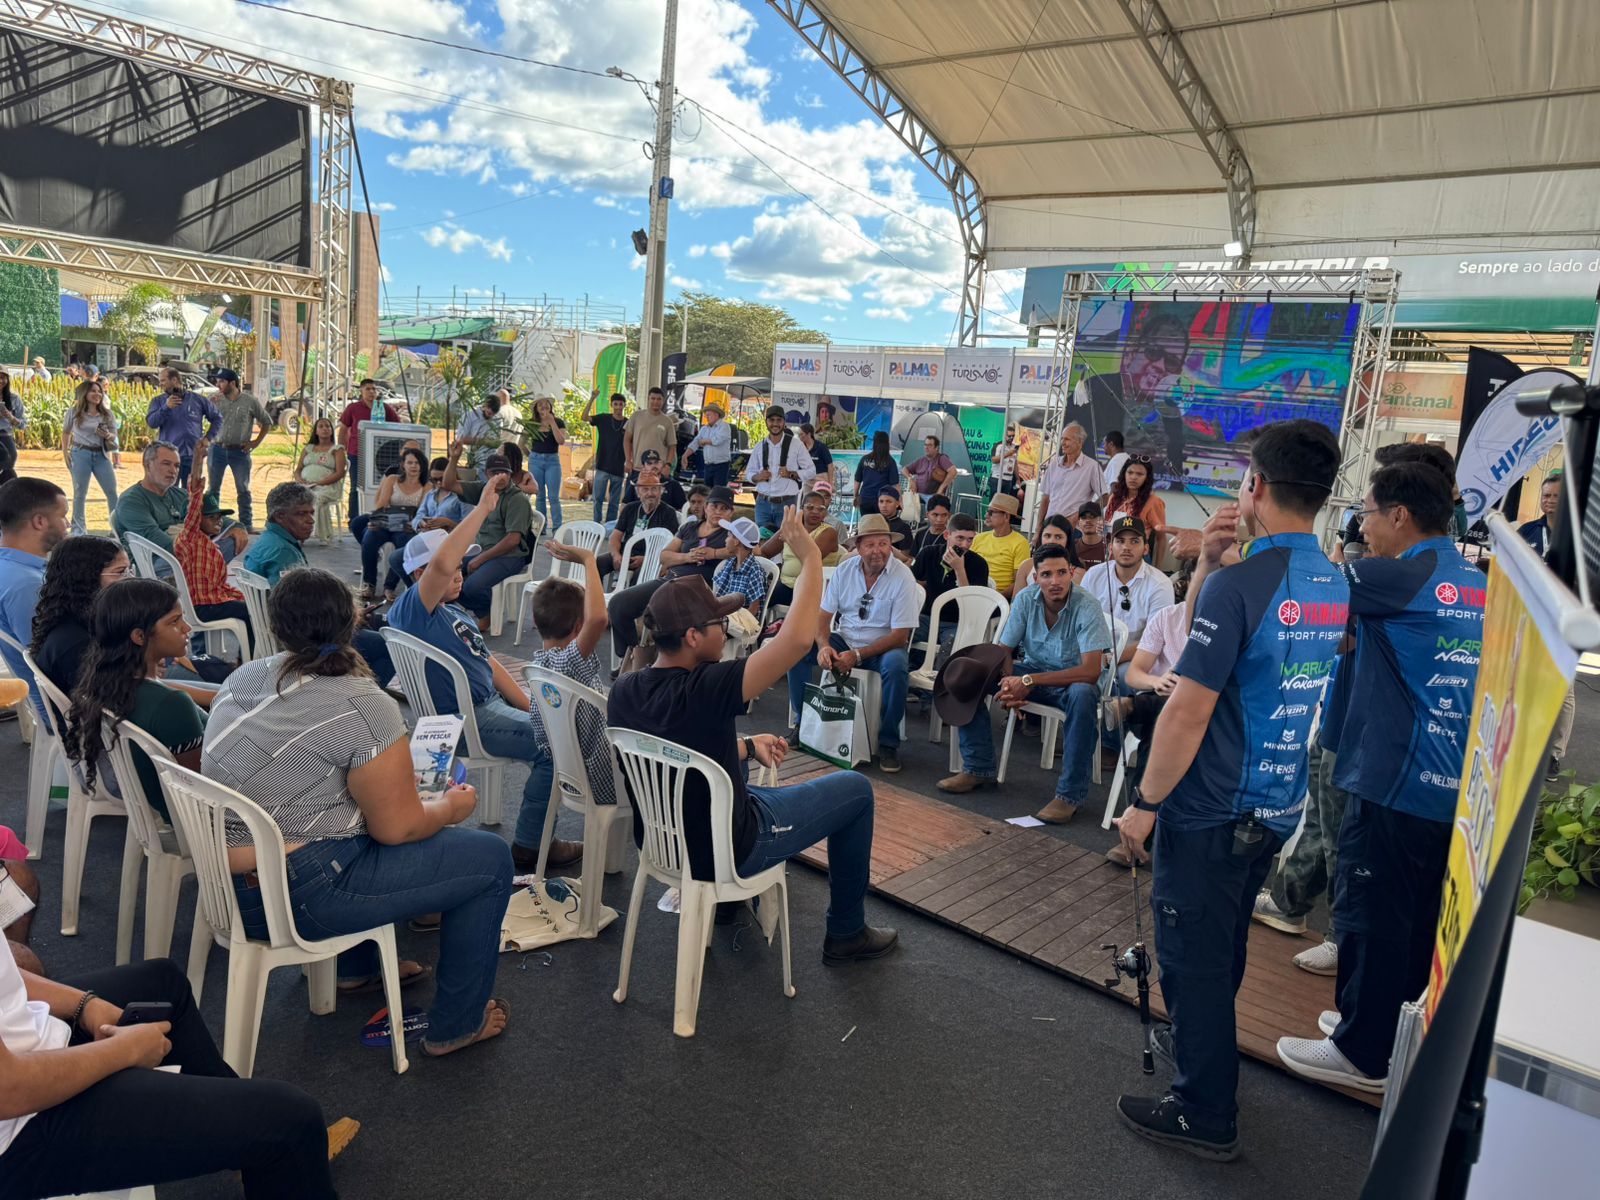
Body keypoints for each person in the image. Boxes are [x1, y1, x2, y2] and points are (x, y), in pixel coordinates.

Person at [1112, 418, 1348, 1161]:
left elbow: (1187, 707)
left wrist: (1144, 804)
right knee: (1220, 946)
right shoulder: (1329, 578)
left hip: (1211, 808)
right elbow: (1231, 660)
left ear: (1256, 485)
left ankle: (1203, 1108)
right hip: (1274, 805)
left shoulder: (1250, 581)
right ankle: (1201, 1052)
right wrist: (1211, 564)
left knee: (1193, 957)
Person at [203, 566, 513, 1057]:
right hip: (296, 897)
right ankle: (457, 1025)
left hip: (228, 888)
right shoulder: (363, 703)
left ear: (276, 625)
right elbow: (399, 829)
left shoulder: (246, 676)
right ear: (352, 623)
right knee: (490, 859)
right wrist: (451, 808)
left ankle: (354, 969)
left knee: (347, 824)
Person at [608, 508, 898, 964]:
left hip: (663, 843)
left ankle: (726, 908)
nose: (724, 626)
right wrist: (811, 556)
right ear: (690, 637)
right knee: (857, 791)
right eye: (716, 622)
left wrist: (744, 746)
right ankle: (846, 931)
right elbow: (799, 640)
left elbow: (676, 750)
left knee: (738, 772)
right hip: (728, 845)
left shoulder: (623, 689)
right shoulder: (708, 686)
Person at [1276, 460, 1484, 1094]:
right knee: (1417, 919)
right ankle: (1387, 1032)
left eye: (1367, 512)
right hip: (1449, 781)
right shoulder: (1472, 578)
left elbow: (1304, 587)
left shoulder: (1393, 575)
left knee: (1371, 913)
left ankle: (1360, 1052)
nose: (1362, 524)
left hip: (1393, 774)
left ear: (1399, 516)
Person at [0, 938, 341, 1197]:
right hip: (19, 1127)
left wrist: (85, 1005)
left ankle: (245, 1146)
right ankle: (267, 1144)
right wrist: (124, 1050)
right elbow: (9, 1089)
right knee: (289, 1120)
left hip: (27, 1055)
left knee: (163, 983)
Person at [388, 488, 584, 874]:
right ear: (418, 574)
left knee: (554, 725)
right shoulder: (413, 610)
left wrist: (533, 708)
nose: (458, 573)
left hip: (483, 707)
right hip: (462, 720)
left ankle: (534, 836)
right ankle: (531, 845)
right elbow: (441, 566)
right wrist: (482, 509)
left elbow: (489, 662)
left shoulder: (449, 610)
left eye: (463, 566)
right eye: (450, 568)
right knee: (554, 744)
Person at [938, 543, 1110, 823]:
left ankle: (1069, 796)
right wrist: (1010, 683)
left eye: (1061, 573)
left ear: (1072, 573)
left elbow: (1090, 671)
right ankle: (978, 767)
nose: (1055, 581)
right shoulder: (1026, 599)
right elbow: (1004, 649)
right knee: (969, 673)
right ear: (1036, 577)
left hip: (1072, 681)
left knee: (1084, 695)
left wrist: (1028, 680)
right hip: (1031, 671)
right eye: (1046, 575)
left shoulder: (1087, 605)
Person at [62, 579, 209, 818]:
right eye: (174, 621)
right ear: (140, 636)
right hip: (195, 820)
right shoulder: (172, 705)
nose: (187, 628)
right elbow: (201, 788)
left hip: (148, 801)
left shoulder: (105, 682)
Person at [784, 513, 917, 773]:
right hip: (843, 639)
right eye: (870, 544)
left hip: (883, 646)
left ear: (891, 545)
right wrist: (823, 645)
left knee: (898, 666)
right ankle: (803, 724)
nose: (877, 551)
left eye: (883, 544)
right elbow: (822, 618)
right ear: (858, 547)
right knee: (796, 648)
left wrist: (856, 655)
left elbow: (901, 636)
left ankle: (889, 742)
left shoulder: (903, 577)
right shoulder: (846, 570)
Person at [244, 482, 395, 686]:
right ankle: (359, 696)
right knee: (389, 646)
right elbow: (301, 613)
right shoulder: (283, 553)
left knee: (378, 623)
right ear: (279, 516)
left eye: (311, 513)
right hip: (303, 641)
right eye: (301, 514)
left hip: (283, 631)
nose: (310, 520)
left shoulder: (268, 541)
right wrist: (348, 621)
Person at [522, 540, 613, 862]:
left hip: (566, 769)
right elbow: (599, 620)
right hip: (602, 776)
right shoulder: (568, 664)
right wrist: (589, 560)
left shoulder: (537, 667)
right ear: (578, 627)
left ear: (535, 623)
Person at [608, 486, 736, 670]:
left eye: (724, 508)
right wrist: (687, 557)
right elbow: (664, 556)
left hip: (698, 590)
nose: (718, 512)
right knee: (618, 604)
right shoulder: (690, 528)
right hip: (670, 580)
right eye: (714, 506)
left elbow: (751, 550)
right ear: (706, 507)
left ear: (731, 513)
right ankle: (633, 656)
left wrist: (714, 553)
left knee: (665, 618)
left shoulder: (731, 534)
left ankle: (656, 664)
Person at [1103, 598, 1190, 867]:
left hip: (1200, 714)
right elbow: (1135, 674)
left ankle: (1132, 707)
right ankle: (1141, 832)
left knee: (1164, 721)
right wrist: (1157, 680)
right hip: (1163, 702)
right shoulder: (1169, 616)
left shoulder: (1231, 622)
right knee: (1163, 720)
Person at [439, 447, 535, 625]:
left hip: (509, 555)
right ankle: (464, 610)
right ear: (486, 474)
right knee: (442, 571)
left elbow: (512, 540)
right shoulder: (484, 489)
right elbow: (449, 484)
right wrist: (453, 459)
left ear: (510, 473)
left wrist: (480, 559)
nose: (500, 477)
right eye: (495, 473)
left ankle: (484, 613)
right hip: (482, 549)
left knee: (471, 586)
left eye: (504, 472)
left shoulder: (517, 499)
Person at [0, 478, 69, 719]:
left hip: (52, 696)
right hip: (63, 708)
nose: (68, 524)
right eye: (63, 516)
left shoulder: (10, 566)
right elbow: (56, 661)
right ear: (40, 521)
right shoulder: (27, 585)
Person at [113, 442, 248, 563]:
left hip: (186, 553)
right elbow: (157, 540)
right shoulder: (131, 501)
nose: (173, 470)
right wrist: (202, 549)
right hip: (154, 562)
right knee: (214, 551)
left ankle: (204, 578)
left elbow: (210, 516)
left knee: (233, 540)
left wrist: (237, 526)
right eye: (166, 464)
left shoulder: (179, 494)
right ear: (147, 465)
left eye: (177, 466)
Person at [1081, 516, 1175, 688]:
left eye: (1134, 541)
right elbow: (1079, 623)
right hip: (1091, 654)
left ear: (1146, 548)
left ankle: (1120, 713)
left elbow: (1155, 640)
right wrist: (1093, 658)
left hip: (1134, 658)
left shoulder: (1160, 585)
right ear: (1110, 547)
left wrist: (1109, 659)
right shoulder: (1093, 575)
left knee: (1124, 678)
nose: (1126, 547)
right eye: (1120, 541)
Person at [30, 536, 129, 697]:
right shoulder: (77, 643)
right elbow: (115, 698)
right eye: (120, 572)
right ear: (86, 578)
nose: (130, 579)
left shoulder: (75, 618)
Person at [174, 464, 254, 654]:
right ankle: (247, 662)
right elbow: (192, 513)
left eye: (219, 517)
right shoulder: (190, 539)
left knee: (249, 607)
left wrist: (240, 596)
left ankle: (212, 658)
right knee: (249, 614)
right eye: (211, 517)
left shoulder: (210, 545)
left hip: (210, 603)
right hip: (202, 606)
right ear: (197, 519)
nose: (218, 521)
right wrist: (196, 486)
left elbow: (219, 586)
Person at [205, 368, 272, 532]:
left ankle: (246, 524)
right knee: (213, 489)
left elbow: (266, 421)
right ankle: (212, 524)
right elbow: (200, 414)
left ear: (232, 383)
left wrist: (255, 442)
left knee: (243, 489)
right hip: (217, 449)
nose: (217, 384)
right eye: (217, 381)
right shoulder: (215, 399)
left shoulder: (249, 401)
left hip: (240, 451)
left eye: (221, 381)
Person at [359, 446, 428, 600]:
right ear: (403, 464)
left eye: (417, 463)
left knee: (405, 546)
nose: (414, 466)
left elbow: (421, 511)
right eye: (410, 462)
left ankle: (389, 586)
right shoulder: (392, 479)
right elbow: (381, 505)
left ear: (422, 465)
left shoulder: (426, 486)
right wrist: (378, 520)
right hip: (386, 523)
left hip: (407, 527)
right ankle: (369, 583)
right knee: (369, 538)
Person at [757, 488, 840, 610]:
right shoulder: (790, 528)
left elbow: (809, 558)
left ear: (825, 512)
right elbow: (764, 552)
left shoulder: (829, 532)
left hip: (814, 588)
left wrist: (790, 539)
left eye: (821, 509)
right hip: (786, 585)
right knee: (754, 597)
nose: (815, 512)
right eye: (810, 507)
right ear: (801, 509)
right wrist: (765, 577)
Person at [596, 469, 680, 581]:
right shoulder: (630, 509)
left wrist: (646, 559)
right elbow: (615, 536)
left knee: (640, 575)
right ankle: (597, 597)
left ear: (660, 491)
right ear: (638, 492)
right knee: (596, 564)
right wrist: (616, 555)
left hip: (652, 559)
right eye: (645, 489)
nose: (650, 493)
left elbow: (672, 547)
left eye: (654, 489)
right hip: (625, 555)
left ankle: (627, 598)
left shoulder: (668, 513)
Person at [912, 512, 988, 634]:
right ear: (947, 535)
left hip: (957, 622)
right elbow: (914, 584)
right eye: (960, 538)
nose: (965, 545)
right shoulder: (929, 553)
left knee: (953, 647)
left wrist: (959, 570)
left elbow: (972, 606)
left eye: (970, 539)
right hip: (926, 618)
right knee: (902, 632)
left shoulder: (979, 563)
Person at [60, 378, 119, 535]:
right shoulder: (74, 412)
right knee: (80, 492)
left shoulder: (107, 414)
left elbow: (114, 437)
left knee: (111, 491)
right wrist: (65, 452)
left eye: (99, 391)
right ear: (84, 393)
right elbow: (66, 432)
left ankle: (116, 527)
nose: (97, 394)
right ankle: (78, 529)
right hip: (80, 454)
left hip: (101, 455)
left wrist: (107, 435)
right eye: (93, 391)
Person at [144, 366, 220, 487]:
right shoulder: (158, 401)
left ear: (174, 380)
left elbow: (217, 418)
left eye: (163, 381)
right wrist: (166, 407)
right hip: (168, 458)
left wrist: (208, 438)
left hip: (193, 457)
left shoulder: (197, 400)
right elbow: (152, 423)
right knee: (168, 492)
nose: (160, 384)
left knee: (190, 493)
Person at [745, 404, 816, 531]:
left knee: (785, 541)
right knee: (761, 541)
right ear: (766, 422)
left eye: (779, 420)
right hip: (763, 503)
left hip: (786, 503)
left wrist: (791, 474)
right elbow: (749, 473)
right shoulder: (759, 446)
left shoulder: (796, 444)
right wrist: (757, 477)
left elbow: (811, 471)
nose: (775, 424)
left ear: (784, 423)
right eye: (771, 420)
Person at [337, 379, 401, 519]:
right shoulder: (353, 408)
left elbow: (398, 426)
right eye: (368, 389)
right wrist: (341, 449)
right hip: (357, 453)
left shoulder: (384, 408)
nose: (371, 392)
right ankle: (354, 518)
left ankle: (377, 516)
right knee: (356, 487)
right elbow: (343, 429)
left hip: (380, 454)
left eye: (374, 389)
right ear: (361, 391)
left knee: (380, 486)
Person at [1035, 423, 1102, 538]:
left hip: (1072, 530)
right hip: (1049, 527)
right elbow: (1045, 498)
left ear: (1079, 442)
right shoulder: (1054, 464)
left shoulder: (1092, 466)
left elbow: (1105, 497)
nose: (1063, 443)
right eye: (1062, 439)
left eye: (1067, 439)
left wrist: (1079, 516)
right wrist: (1038, 530)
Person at [295, 417, 348, 544]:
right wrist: (301, 481)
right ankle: (295, 533)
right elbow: (298, 470)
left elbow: (340, 473)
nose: (325, 429)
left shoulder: (337, 449)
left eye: (328, 426)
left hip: (328, 487)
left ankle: (316, 533)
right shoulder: (308, 448)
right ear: (316, 431)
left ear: (331, 431)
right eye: (321, 426)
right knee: (289, 499)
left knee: (315, 498)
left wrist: (319, 483)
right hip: (305, 486)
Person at [970, 492, 1032, 599]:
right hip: (973, 591)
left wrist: (997, 599)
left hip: (1000, 598)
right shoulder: (979, 538)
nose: (986, 515)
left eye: (991, 512)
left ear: (1006, 516)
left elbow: (1019, 581)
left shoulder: (1020, 543)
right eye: (987, 511)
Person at [584, 391, 630, 522]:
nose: (618, 407)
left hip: (619, 468)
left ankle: (609, 527)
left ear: (624, 405)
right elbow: (584, 417)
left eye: (621, 404)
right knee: (597, 499)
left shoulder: (628, 423)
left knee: (614, 503)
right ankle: (596, 525)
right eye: (615, 404)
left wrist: (629, 461)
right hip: (602, 466)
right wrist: (592, 397)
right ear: (611, 405)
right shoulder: (603, 418)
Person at [525, 395, 568, 533]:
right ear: (536, 409)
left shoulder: (559, 422)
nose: (544, 406)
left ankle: (557, 528)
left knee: (554, 496)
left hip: (552, 461)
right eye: (540, 405)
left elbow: (561, 441)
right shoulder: (531, 423)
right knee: (540, 495)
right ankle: (542, 527)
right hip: (536, 460)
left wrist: (552, 422)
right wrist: (532, 456)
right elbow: (521, 443)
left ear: (551, 406)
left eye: (546, 404)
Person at [622, 387, 677, 495]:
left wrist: (668, 466)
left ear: (663, 401)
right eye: (653, 398)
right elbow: (627, 440)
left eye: (658, 399)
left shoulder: (667, 421)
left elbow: (672, 446)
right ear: (648, 399)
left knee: (656, 501)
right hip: (638, 468)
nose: (655, 402)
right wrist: (628, 460)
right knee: (630, 502)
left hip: (658, 471)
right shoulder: (636, 416)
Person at [1104, 455, 1168, 547]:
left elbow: (1161, 538)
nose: (1133, 477)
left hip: (1138, 555)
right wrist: (1100, 528)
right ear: (1124, 474)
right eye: (1130, 472)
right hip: (1111, 552)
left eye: (1139, 474)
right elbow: (1107, 529)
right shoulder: (1114, 497)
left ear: (1147, 478)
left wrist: (1157, 562)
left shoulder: (1154, 501)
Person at [711, 517, 769, 614]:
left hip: (740, 623)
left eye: (728, 536)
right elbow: (717, 594)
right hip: (724, 614)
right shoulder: (729, 563)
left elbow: (754, 609)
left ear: (736, 541)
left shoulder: (754, 570)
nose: (725, 540)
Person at [682, 403, 733, 489]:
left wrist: (703, 441)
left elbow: (717, 440)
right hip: (708, 466)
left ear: (716, 414)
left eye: (709, 415)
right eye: (706, 415)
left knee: (717, 493)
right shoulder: (704, 429)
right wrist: (685, 455)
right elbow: (695, 442)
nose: (707, 417)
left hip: (721, 465)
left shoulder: (724, 426)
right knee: (707, 492)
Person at [853, 430, 899, 518]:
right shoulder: (890, 461)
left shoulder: (865, 459)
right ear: (887, 444)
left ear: (874, 443)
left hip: (865, 498)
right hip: (883, 501)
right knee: (881, 526)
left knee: (867, 525)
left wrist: (856, 496)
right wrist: (899, 500)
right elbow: (895, 484)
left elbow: (857, 480)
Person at [456, 391, 504, 474]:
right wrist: (483, 441)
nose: (490, 416)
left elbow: (497, 439)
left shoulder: (497, 419)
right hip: (476, 459)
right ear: (485, 406)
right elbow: (460, 439)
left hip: (492, 461)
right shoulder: (470, 416)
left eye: (493, 415)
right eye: (489, 413)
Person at [1517, 475, 1562, 558]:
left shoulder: (1576, 533)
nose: (1551, 500)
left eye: (1556, 496)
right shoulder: (1525, 530)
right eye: (1546, 495)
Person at [874, 487, 915, 562]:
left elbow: (906, 558)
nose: (884, 505)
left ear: (897, 503)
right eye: (881, 501)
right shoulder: (871, 523)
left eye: (889, 501)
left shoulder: (903, 528)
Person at [0, 369, 26, 486]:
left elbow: (23, 425)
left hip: (5, 436)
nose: (1, 381)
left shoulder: (14, 398)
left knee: (9, 459)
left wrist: (11, 418)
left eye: (3, 377)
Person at [908, 493, 952, 559]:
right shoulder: (920, 533)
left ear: (949, 516)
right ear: (927, 515)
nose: (939, 520)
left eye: (944, 515)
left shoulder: (950, 538)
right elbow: (912, 559)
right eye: (935, 515)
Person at [1068, 502, 1109, 571]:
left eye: (1092, 517)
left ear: (1101, 520)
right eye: (1083, 517)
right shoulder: (1071, 547)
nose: (1088, 521)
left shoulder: (1110, 546)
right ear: (1078, 522)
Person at [991, 426, 1020, 499]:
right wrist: (1008, 454)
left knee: (1003, 504)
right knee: (994, 503)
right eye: (1009, 436)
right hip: (997, 478)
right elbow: (994, 460)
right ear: (1004, 435)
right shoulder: (998, 445)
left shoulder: (1014, 447)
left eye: (1013, 436)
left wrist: (1017, 478)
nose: (1011, 438)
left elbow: (1015, 463)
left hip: (1008, 479)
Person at [1102, 429, 1128, 499]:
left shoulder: (1117, 461)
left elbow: (1115, 490)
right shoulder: (1125, 457)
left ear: (1111, 444)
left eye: (1104, 443)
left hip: (1109, 508)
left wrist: (1093, 508)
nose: (1103, 447)